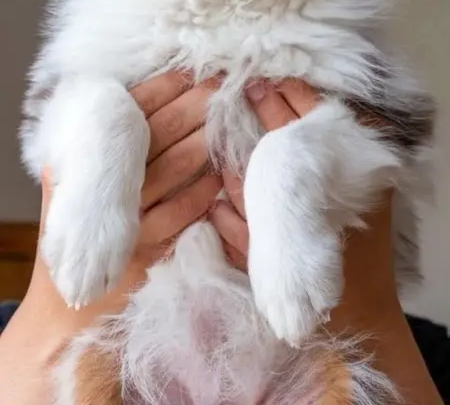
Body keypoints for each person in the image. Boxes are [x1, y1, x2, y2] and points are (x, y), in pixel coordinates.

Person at [0, 72, 443, 404]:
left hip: (318, 360)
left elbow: (387, 127)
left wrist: (372, 320)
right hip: (115, 356)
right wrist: (56, 318)